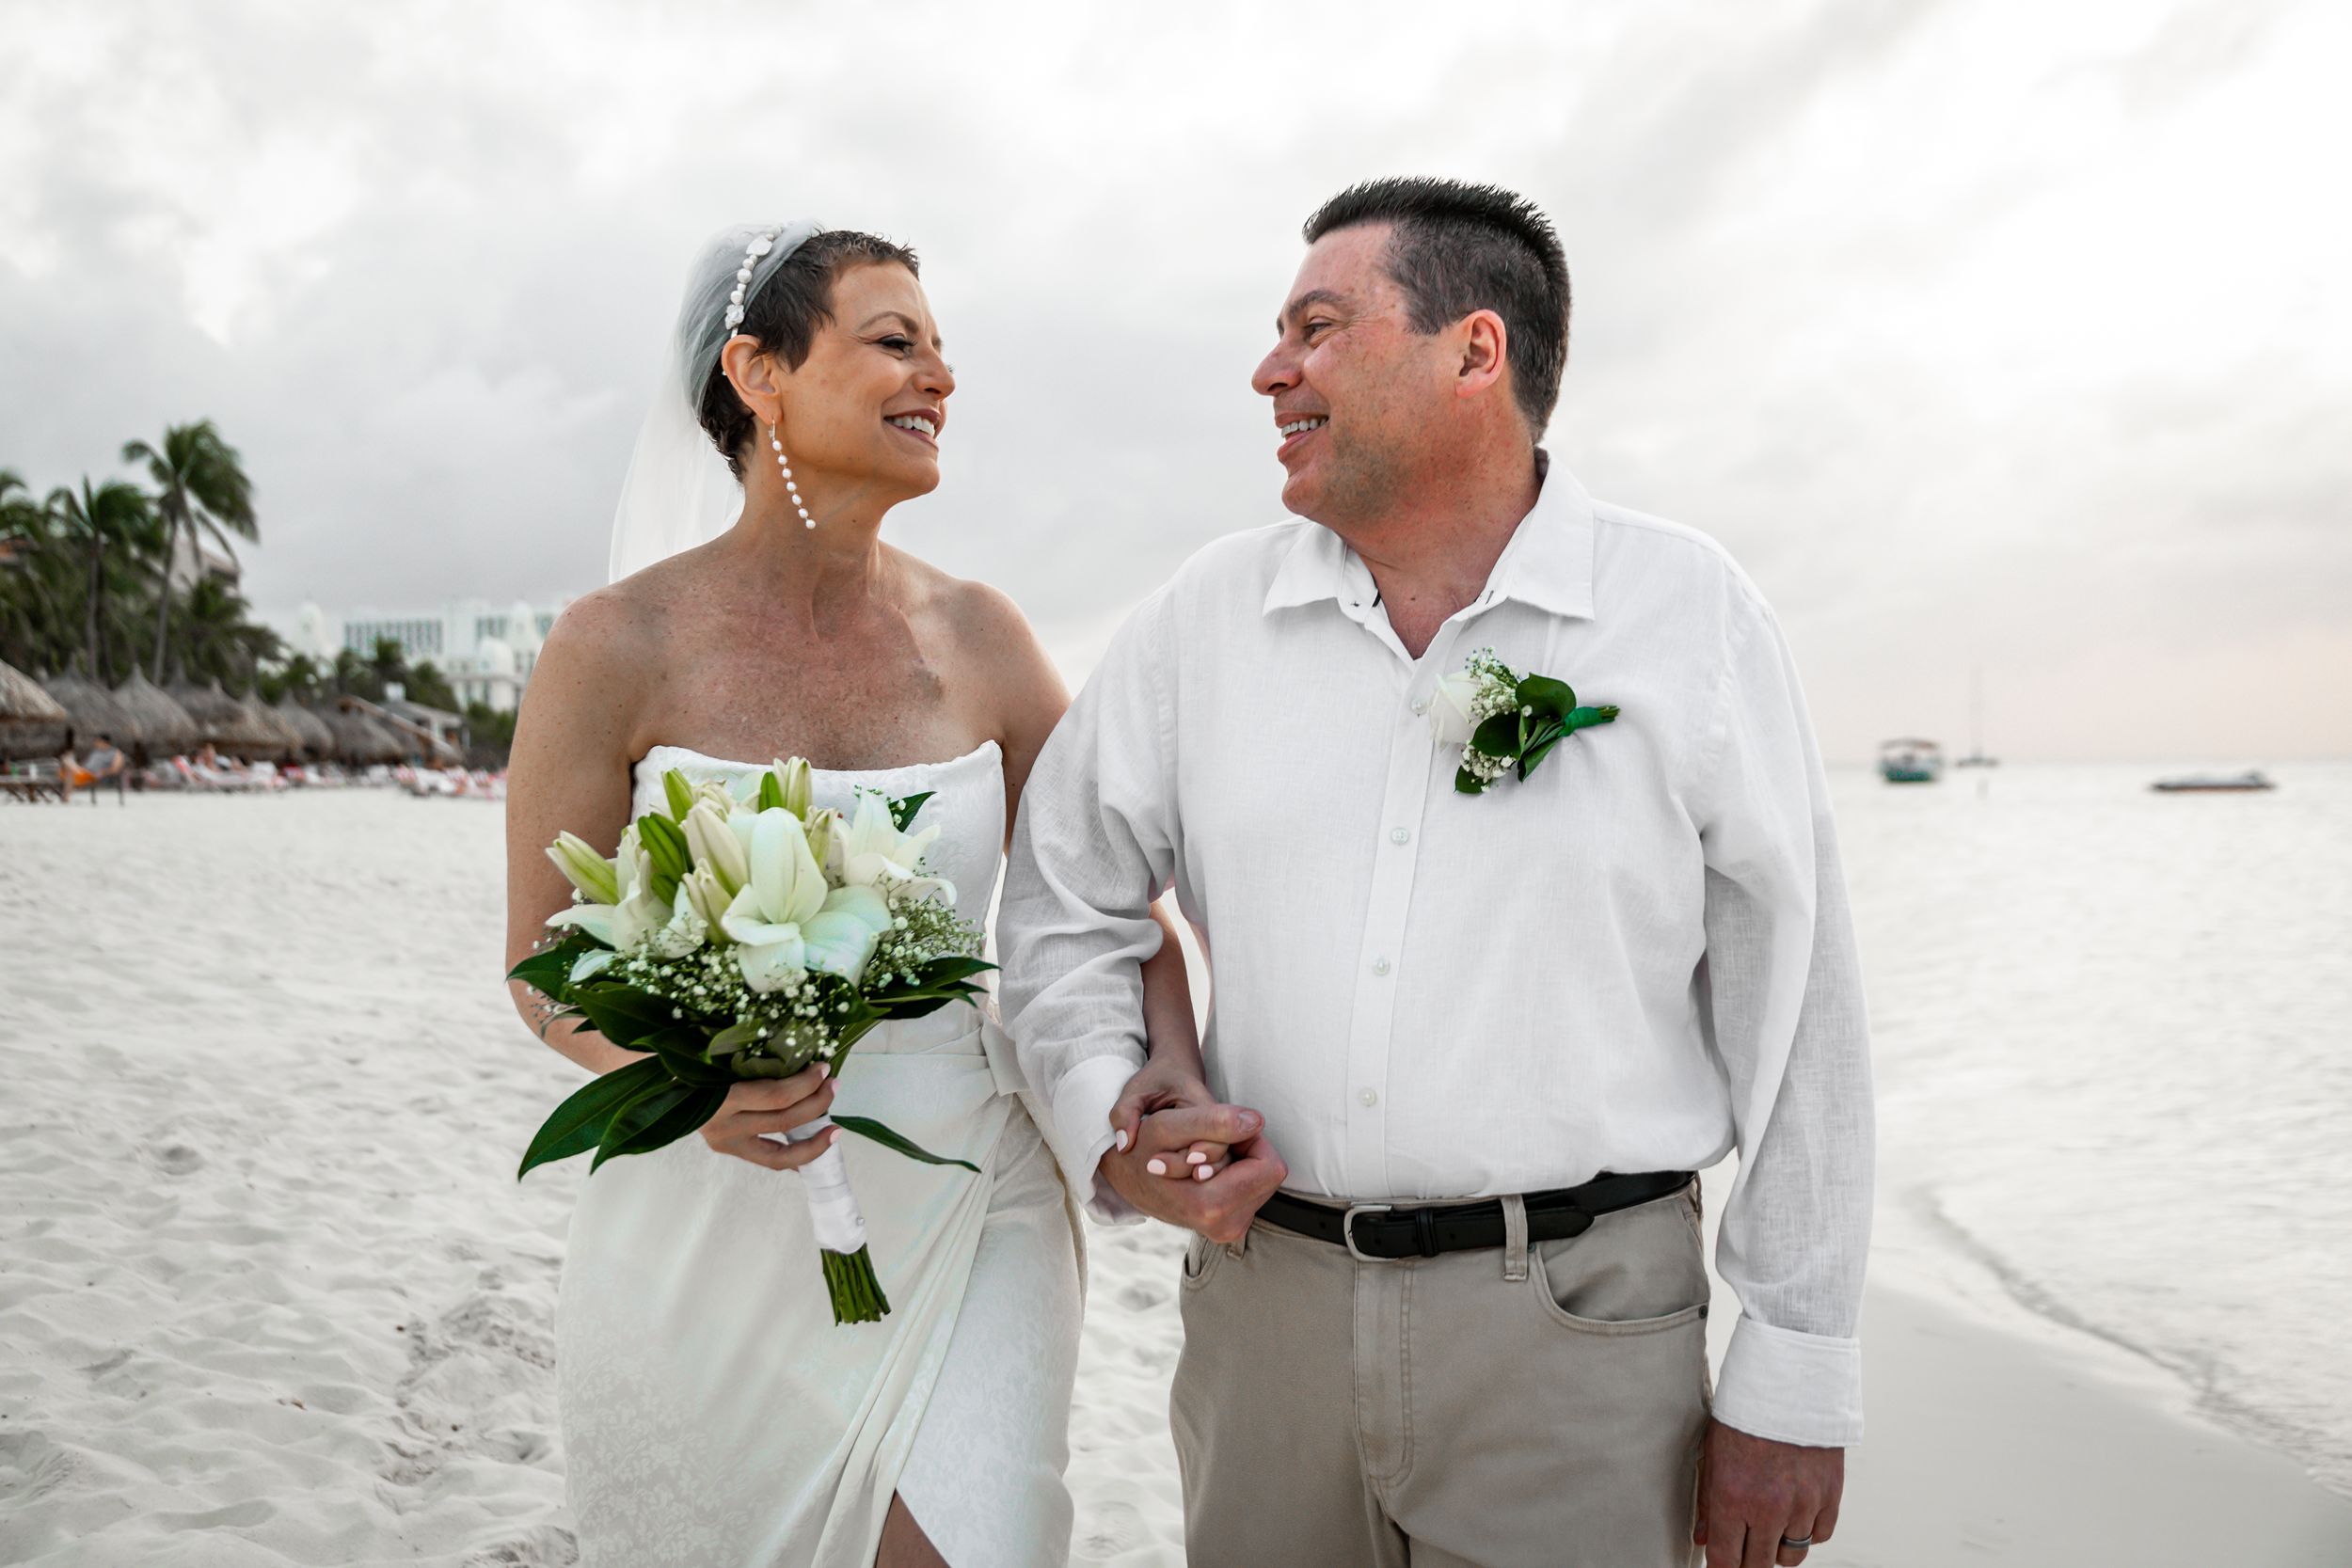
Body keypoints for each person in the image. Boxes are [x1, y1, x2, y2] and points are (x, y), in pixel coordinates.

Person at [1000, 177, 1874, 1568]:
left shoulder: (1686, 614)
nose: (1268, 369)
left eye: (1319, 328)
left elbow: (1800, 1007)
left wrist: (1797, 1366)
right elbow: (1061, 900)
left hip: (1578, 1341)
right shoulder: (1202, 622)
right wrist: (1116, 1112)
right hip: (1261, 1317)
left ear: (1476, 353)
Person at [501, 223, 1199, 1568]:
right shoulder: (611, 647)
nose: (939, 375)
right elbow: (541, 960)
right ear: (758, 372)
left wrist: (1164, 1067)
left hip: (965, 1191)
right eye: (896, 342)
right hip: (706, 1214)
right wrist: (684, 1073)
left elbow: (1112, 903)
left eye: (941, 349)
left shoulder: (983, 635)